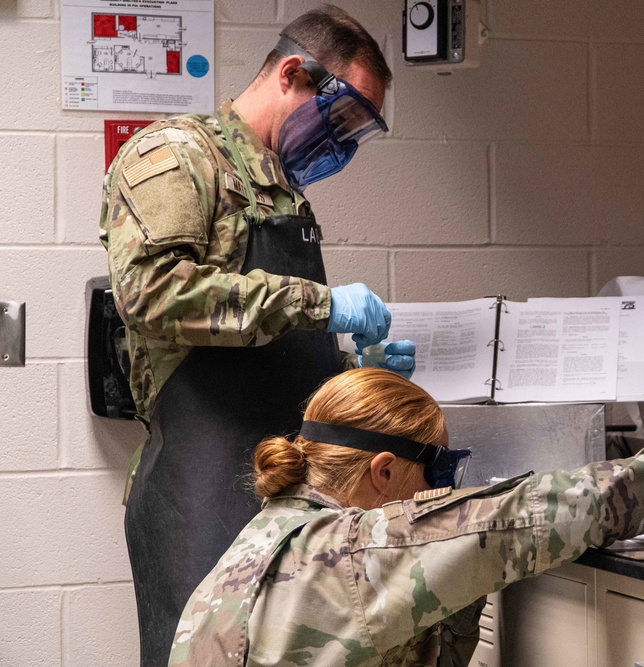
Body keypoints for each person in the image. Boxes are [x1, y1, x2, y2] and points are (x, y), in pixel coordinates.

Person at [98, 6, 414, 665]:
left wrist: (356, 365)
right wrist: (321, 303)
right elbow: (152, 296)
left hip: (288, 492)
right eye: (345, 115)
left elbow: (280, 345)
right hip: (199, 495)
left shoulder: (283, 195)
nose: (346, 141)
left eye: (361, 128)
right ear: (294, 74)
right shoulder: (178, 157)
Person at [168, 368, 644, 666]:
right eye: (439, 477)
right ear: (385, 471)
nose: (440, 496)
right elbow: (529, 516)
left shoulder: (260, 542)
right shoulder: (351, 554)